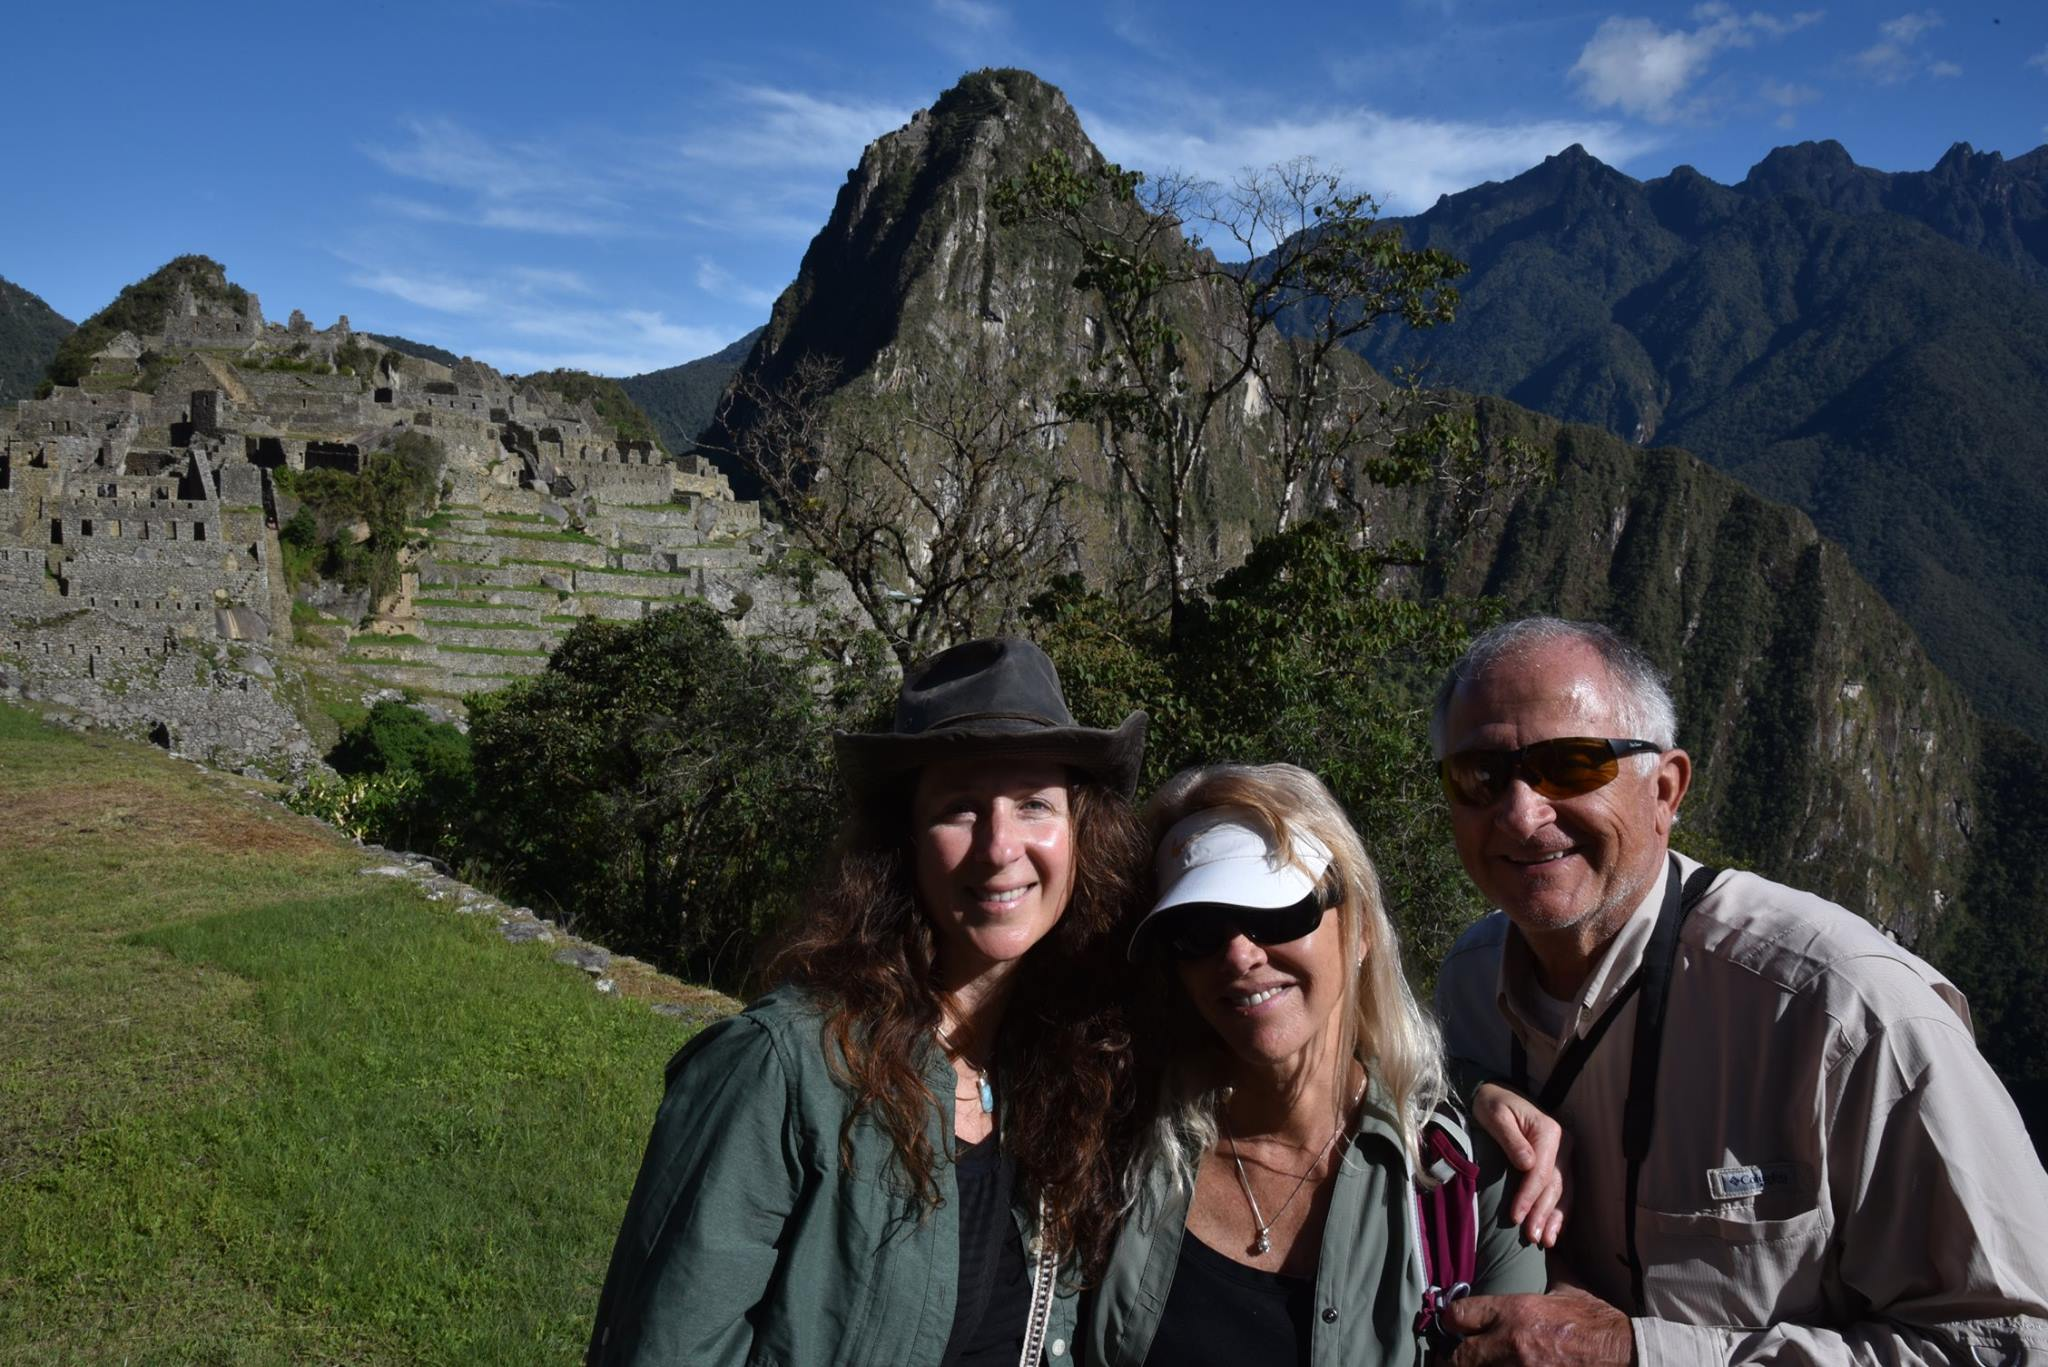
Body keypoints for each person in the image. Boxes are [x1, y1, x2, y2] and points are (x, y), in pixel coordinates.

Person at [1430, 616, 2048, 1366]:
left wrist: (1638, 1353)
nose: (1522, 814)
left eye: (1571, 765)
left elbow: (2012, 1341)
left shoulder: (1846, 1015)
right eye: (1481, 776)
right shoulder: (1467, 984)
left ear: (1665, 789)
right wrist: (1464, 1089)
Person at [585, 636, 1150, 1366]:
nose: (1000, 846)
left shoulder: (1062, 1066)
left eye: (1035, 803)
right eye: (960, 808)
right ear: (906, 838)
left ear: (1079, 834)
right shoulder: (782, 1070)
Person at [1086, 763, 1548, 1366]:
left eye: (1276, 912)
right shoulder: (1111, 1149)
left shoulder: (1472, 1181)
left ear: (1358, 930)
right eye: (1196, 930)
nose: (1239, 953)